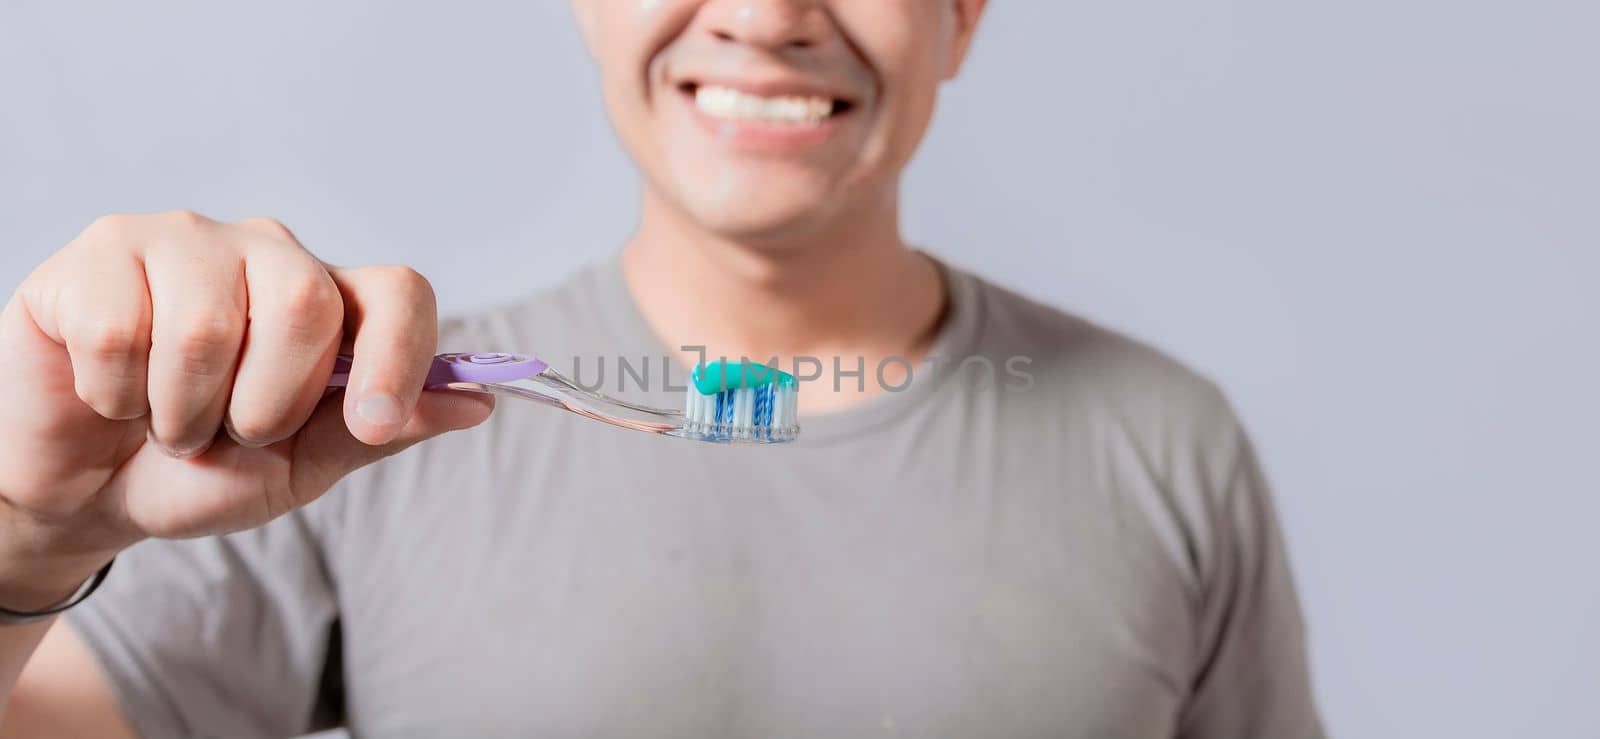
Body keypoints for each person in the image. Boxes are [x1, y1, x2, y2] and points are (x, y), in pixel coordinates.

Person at [0, 1, 1324, 737]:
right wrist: (24, 542)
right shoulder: (361, 426)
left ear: (963, 16)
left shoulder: (1167, 446)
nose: (764, 15)